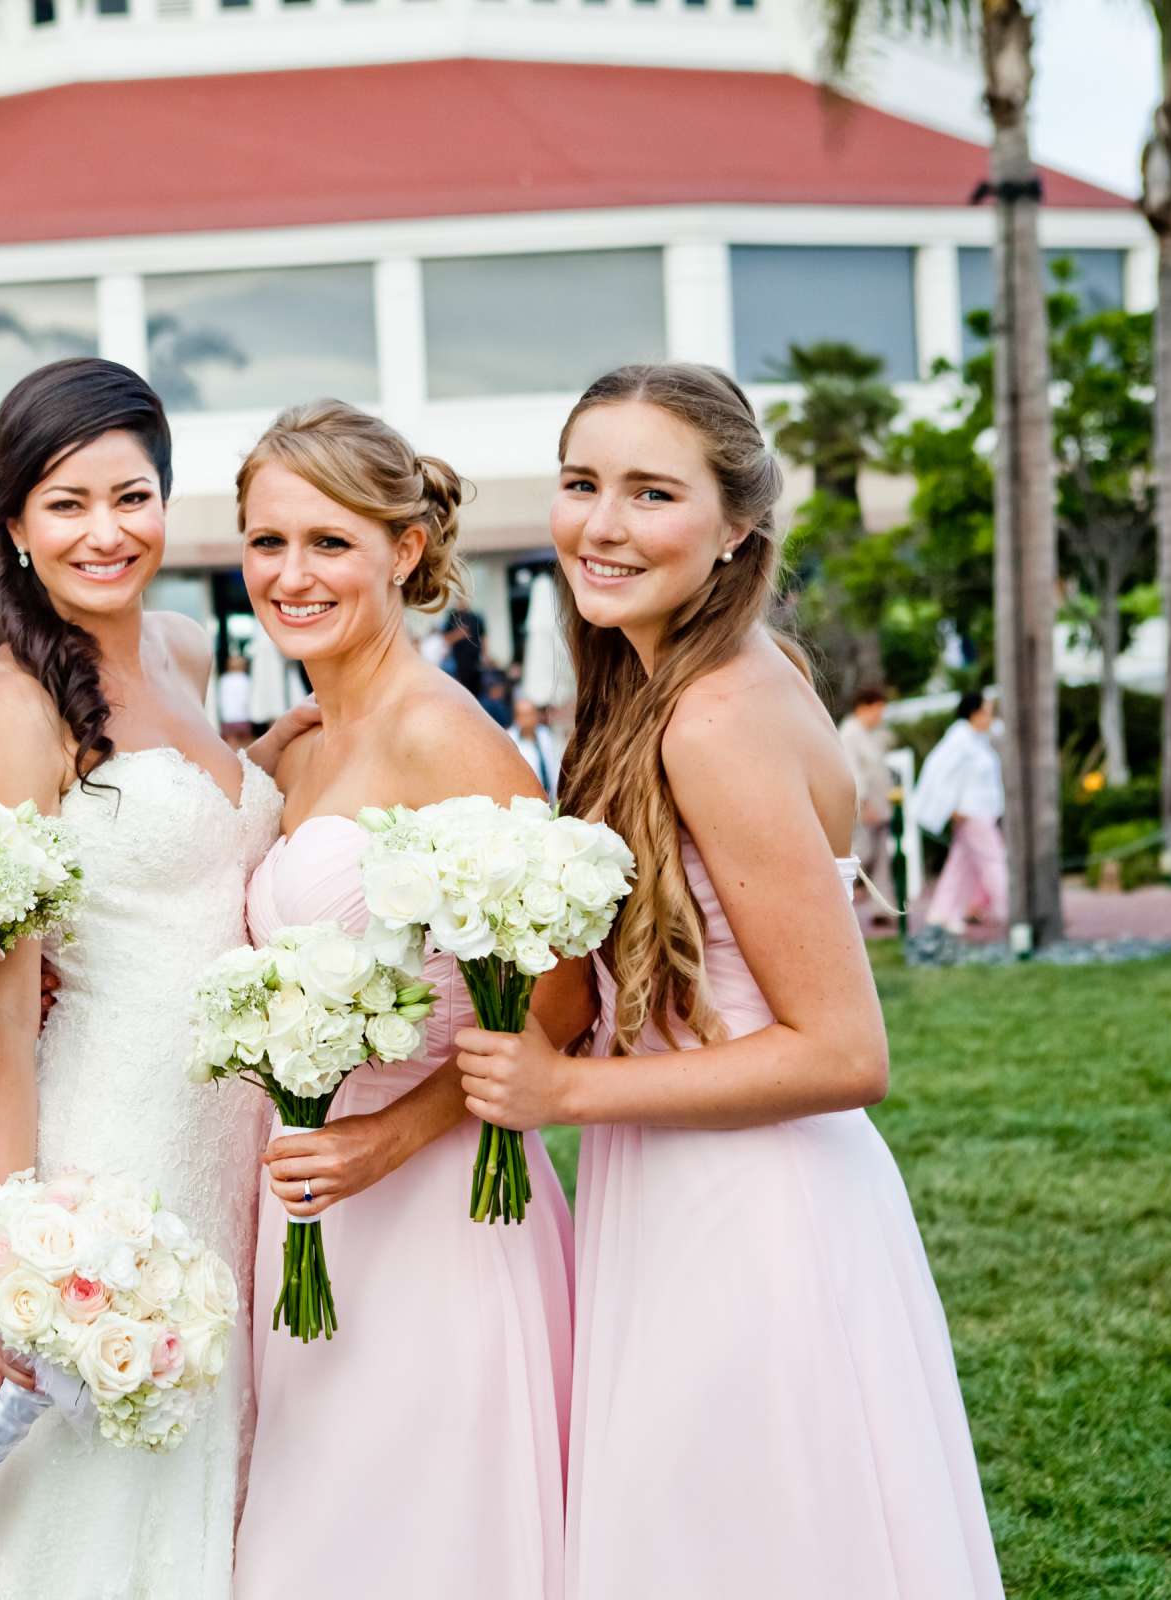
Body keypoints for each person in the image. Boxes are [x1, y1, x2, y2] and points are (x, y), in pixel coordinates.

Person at [455, 364, 1000, 1598]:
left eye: (653, 493)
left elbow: (844, 1052)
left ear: (736, 525)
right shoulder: (697, 679)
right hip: (686, 1172)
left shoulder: (714, 716)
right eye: (583, 483)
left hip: (753, 1206)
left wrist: (561, 1091)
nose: (602, 525)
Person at [0, 358, 299, 1599]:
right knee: (105, 1491)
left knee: (224, 1465)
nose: (106, 531)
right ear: (16, 525)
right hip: (116, 1150)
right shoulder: (11, 706)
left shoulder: (188, 651)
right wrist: (18, 1256)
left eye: (131, 496)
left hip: (235, 1141)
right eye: (67, 502)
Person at [232, 400, 573, 1599]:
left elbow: (565, 993)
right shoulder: (303, 741)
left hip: (435, 1201)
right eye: (267, 543)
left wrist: (389, 1135)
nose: (292, 574)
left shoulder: (446, 737)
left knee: (423, 1537)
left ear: (404, 549)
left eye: (329, 542)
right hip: (307, 1203)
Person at [912, 689, 1006, 935]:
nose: (990, 717)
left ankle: (942, 914)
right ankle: (1009, 909)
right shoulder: (960, 739)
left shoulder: (977, 739)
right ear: (974, 714)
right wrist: (948, 806)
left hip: (983, 811)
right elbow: (938, 771)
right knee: (993, 859)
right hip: (972, 813)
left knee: (960, 865)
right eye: (986, 712)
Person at [838, 685, 897, 922]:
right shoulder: (850, 733)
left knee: (882, 857)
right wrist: (863, 804)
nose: (880, 715)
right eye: (877, 709)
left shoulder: (871, 734)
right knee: (860, 854)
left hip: (880, 805)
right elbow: (853, 771)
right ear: (864, 707)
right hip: (865, 807)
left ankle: (882, 909)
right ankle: (838, 902)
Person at [515, 699, 565, 797]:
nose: (529, 719)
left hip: (552, 796)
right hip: (528, 798)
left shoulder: (546, 734)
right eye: (525, 715)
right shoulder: (511, 740)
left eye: (532, 714)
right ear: (517, 718)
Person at [218, 651, 255, 746]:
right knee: (245, 739)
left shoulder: (224, 679)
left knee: (230, 740)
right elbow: (248, 698)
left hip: (228, 716)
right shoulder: (245, 679)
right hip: (242, 715)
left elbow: (221, 699)